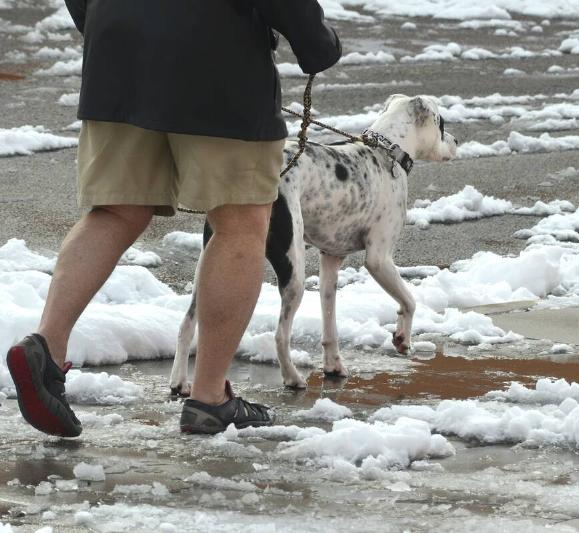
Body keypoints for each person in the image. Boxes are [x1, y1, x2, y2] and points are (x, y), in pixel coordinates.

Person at [5, 0, 341, 437]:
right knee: (240, 223)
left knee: (114, 211)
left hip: (117, 54)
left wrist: (112, 24)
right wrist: (316, 44)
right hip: (216, 57)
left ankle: (45, 349)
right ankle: (209, 399)